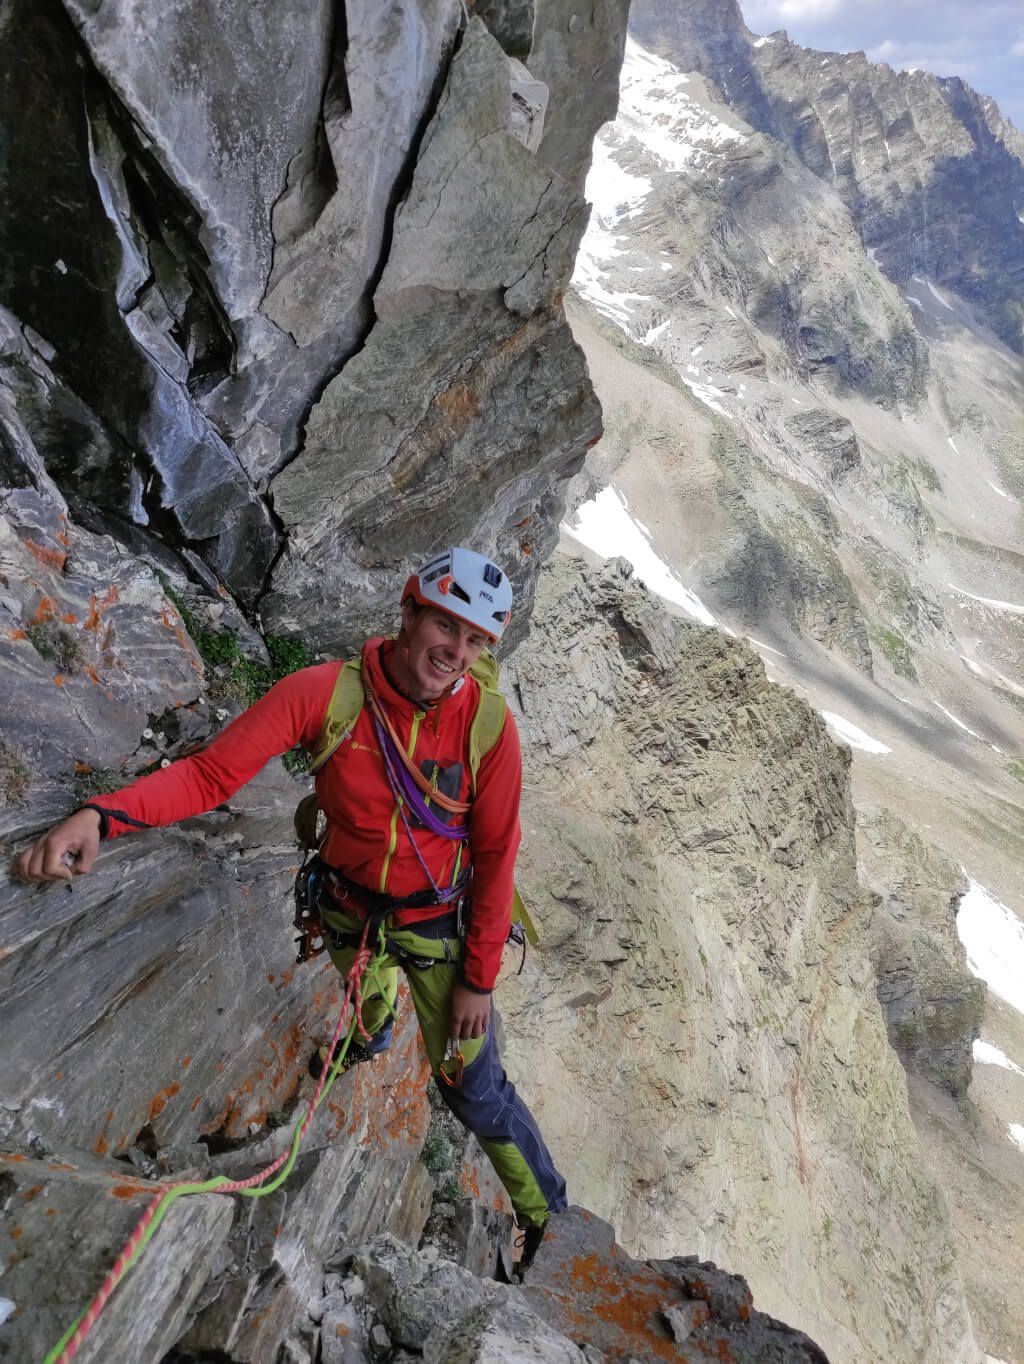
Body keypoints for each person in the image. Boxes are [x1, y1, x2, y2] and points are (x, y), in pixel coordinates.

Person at [14, 546, 567, 1260]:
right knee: (361, 977)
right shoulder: (326, 696)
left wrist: (479, 979)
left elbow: (495, 856)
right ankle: (369, 1030)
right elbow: (212, 776)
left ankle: (545, 1216)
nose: (455, 651)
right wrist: (99, 817)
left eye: (474, 640)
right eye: (444, 626)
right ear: (408, 613)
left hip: (439, 924)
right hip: (349, 905)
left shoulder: (489, 729)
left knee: (473, 1084)